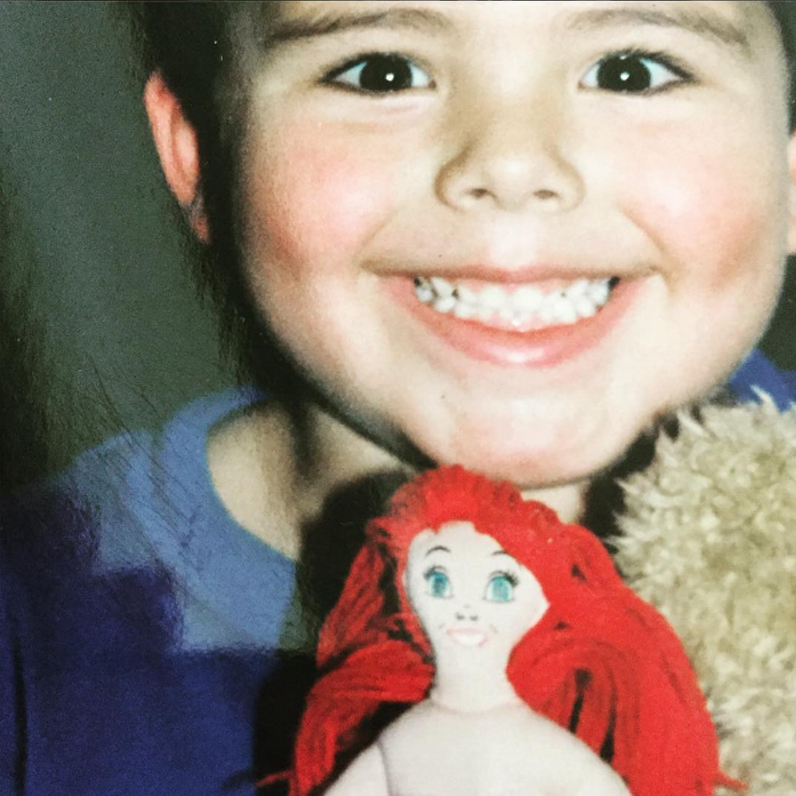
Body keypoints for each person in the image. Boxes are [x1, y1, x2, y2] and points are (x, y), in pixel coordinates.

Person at [1, 3, 795, 795]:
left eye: (631, 72)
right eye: (382, 74)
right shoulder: (32, 635)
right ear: (200, 156)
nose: (511, 165)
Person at [287, 466, 737, 796]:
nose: (465, 608)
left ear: (539, 604)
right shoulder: (403, 741)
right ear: (405, 590)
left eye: (499, 586)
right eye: (439, 582)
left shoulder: (535, 743)